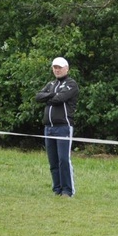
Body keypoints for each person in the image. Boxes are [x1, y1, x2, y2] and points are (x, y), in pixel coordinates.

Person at [35, 57, 79, 198]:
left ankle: (67, 190)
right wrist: (52, 94)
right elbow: (38, 97)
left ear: (66, 68)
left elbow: (60, 99)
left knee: (64, 160)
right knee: (53, 161)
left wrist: (49, 97)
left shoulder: (71, 84)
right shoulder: (51, 84)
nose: (57, 70)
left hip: (63, 127)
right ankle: (57, 189)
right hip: (48, 128)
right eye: (55, 67)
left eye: (60, 67)